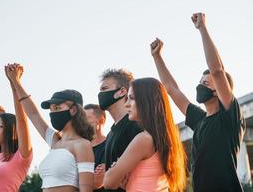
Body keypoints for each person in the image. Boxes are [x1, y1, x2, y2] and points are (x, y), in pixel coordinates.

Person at [150, 13, 246, 191]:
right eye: (200, 82)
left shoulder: (230, 116)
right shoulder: (199, 119)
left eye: (206, 83)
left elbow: (217, 70)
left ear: (218, 90)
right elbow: (172, 89)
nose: (200, 86)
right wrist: (157, 57)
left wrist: (202, 28)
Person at [6, 63, 95, 192]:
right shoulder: (55, 141)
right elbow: (33, 114)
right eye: (52, 110)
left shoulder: (82, 145)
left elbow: (86, 190)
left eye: (58, 108)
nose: (53, 113)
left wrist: (16, 82)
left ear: (74, 110)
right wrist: (15, 81)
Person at [104, 78, 187, 192]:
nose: (126, 104)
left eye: (132, 98)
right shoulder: (162, 137)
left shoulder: (144, 139)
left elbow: (108, 182)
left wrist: (115, 169)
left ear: (146, 101)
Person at [98, 68, 143, 192]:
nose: (100, 94)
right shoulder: (110, 134)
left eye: (104, 89)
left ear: (122, 91)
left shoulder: (136, 127)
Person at [84, 104, 107, 192]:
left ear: (100, 120)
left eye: (87, 118)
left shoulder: (109, 144)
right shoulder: (80, 146)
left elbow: (97, 182)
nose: (82, 122)